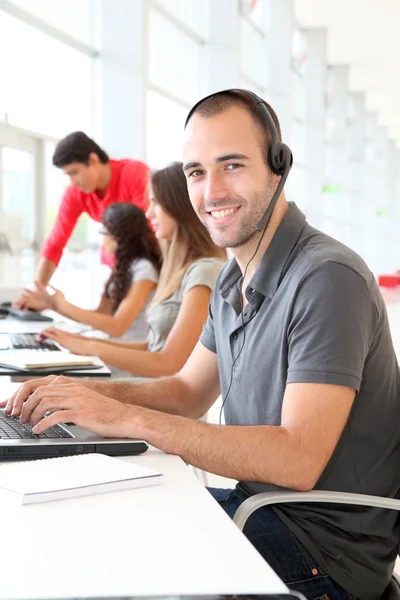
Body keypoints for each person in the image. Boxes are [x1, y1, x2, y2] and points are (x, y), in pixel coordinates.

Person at [5, 91, 400, 600]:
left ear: (278, 167)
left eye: (231, 165)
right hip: (258, 508)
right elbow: (188, 391)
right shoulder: (231, 279)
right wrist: (86, 398)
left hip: (323, 551)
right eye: (196, 171)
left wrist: (127, 419)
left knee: (96, 553)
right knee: (79, 520)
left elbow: (297, 460)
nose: (211, 190)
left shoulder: (326, 277)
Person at [37, 162, 226, 378]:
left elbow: (168, 363)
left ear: (178, 207)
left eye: (155, 202)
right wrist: (82, 342)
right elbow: (151, 346)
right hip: (149, 386)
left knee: (51, 386)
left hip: (158, 396)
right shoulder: (177, 271)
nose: (148, 213)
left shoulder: (204, 272)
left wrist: (92, 347)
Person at [15, 131, 149, 307]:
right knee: (107, 322)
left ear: (93, 160)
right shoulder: (76, 193)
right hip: (116, 269)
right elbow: (55, 243)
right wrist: (34, 296)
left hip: (145, 266)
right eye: (68, 176)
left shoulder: (134, 173)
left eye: (74, 172)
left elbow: (149, 230)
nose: (73, 182)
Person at [18, 203, 161, 339]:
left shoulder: (144, 270)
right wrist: (54, 306)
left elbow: (117, 326)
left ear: (118, 237)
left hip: (130, 356)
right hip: (115, 349)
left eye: (103, 232)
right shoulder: (125, 267)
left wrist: (62, 305)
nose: (103, 240)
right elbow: (100, 315)